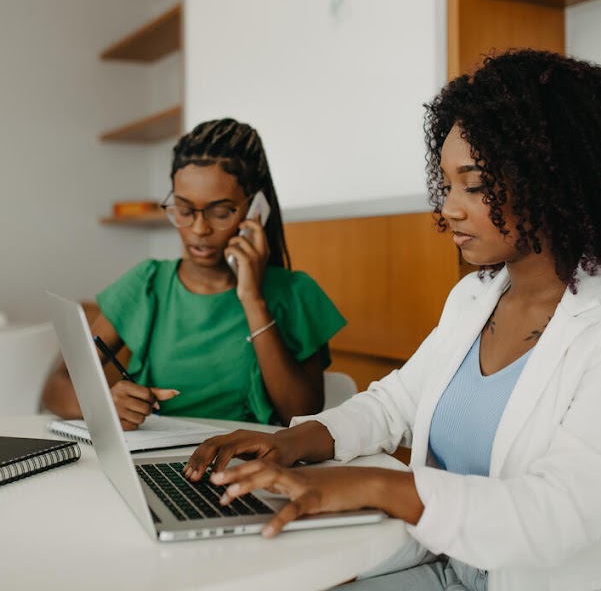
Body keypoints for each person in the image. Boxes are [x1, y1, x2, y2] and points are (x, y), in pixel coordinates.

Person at [182, 50, 601, 591]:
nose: (449, 208)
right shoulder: (475, 298)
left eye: (474, 185)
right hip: (442, 563)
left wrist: (375, 487)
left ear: (553, 180)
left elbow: (558, 510)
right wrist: (292, 442)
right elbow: (395, 402)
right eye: (447, 184)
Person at [42, 118, 346, 428]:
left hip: (250, 465)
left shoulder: (295, 292)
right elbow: (56, 387)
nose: (199, 229)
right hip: (156, 460)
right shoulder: (148, 284)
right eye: (185, 211)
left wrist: (253, 299)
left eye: (221, 212)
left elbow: (303, 415)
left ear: (256, 208)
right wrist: (104, 403)